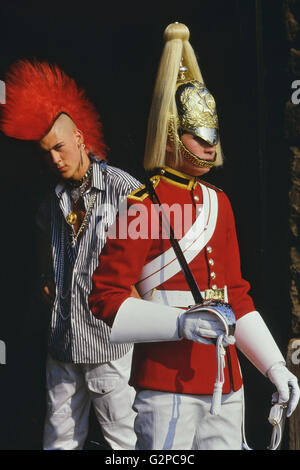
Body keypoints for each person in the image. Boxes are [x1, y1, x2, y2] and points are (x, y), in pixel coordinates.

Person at [88, 23, 300, 450]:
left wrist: (274, 365)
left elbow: (236, 296)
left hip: (226, 381)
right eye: (198, 136)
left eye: (212, 136)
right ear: (172, 133)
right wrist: (180, 322)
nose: (209, 146)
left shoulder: (220, 203)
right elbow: (106, 297)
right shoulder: (144, 206)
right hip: (167, 384)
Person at [0, 59, 140, 450]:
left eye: (59, 147)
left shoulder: (124, 190)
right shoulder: (51, 201)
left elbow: (153, 259)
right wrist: (49, 280)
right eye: (46, 153)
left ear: (79, 137)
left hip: (108, 345)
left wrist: (138, 299)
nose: (55, 160)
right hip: (61, 345)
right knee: (58, 442)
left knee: (124, 444)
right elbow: (48, 253)